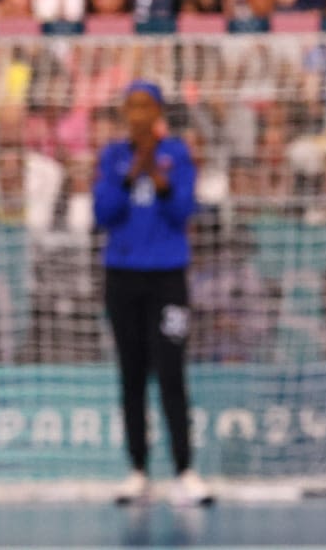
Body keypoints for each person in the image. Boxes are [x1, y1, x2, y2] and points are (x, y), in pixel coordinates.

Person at [93, 81, 211, 506]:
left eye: (146, 105)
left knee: (172, 372)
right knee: (131, 374)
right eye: (131, 106)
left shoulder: (177, 154)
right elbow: (103, 213)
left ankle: (185, 471)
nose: (138, 113)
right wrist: (130, 175)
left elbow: (184, 211)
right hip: (122, 275)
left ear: (158, 110)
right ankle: (137, 471)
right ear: (124, 111)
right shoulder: (112, 156)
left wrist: (158, 176)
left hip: (167, 277)